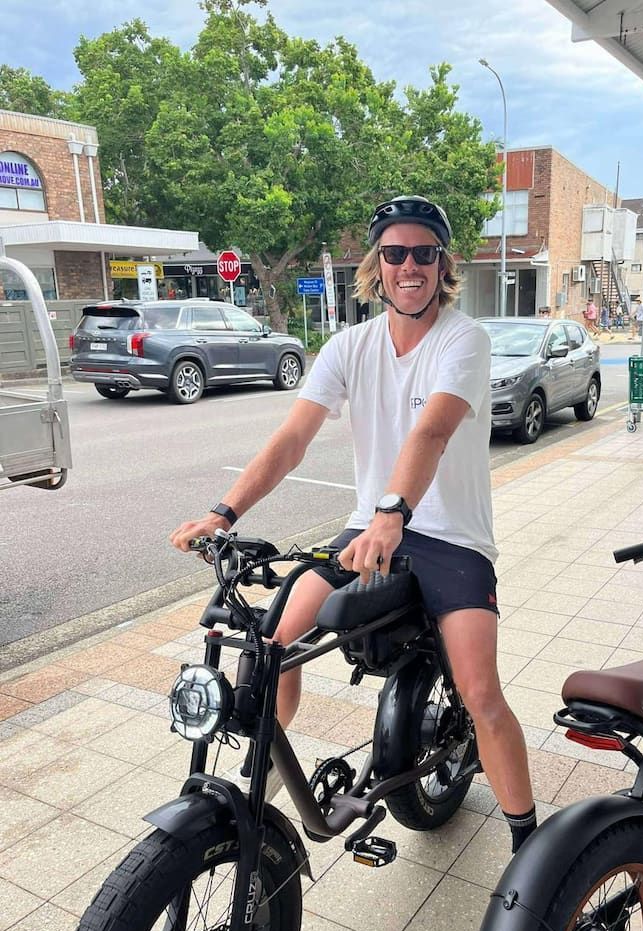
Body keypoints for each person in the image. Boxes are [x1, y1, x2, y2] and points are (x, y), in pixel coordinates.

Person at [170, 195, 537, 853]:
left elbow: (432, 429)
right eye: (394, 254)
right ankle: (262, 774)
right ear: (376, 265)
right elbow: (292, 438)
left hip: (450, 537)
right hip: (366, 531)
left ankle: (527, 841)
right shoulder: (349, 346)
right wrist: (225, 511)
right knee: (273, 639)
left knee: (481, 692)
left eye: (423, 253)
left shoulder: (464, 339)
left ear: (442, 263)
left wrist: (394, 510)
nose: (409, 267)